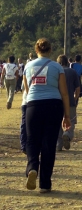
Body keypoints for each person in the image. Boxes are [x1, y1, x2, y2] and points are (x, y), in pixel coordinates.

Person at [23, 38, 70, 193]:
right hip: (53, 105)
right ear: (50, 51)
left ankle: (32, 167)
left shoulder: (27, 66)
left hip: (33, 105)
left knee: (32, 140)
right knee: (49, 144)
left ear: (36, 50)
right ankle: (45, 184)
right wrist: (67, 116)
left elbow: (27, 90)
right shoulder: (57, 67)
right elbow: (64, 93)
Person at [56, 55, 80, 151]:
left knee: (58, 123)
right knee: (71, 121)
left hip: (57, 101)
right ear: (67, 62)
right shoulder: (73, 72)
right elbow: (77, 89)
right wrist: (75, 98)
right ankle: (67, 134)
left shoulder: (56, 72)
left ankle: (59, 145)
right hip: (70, 101)